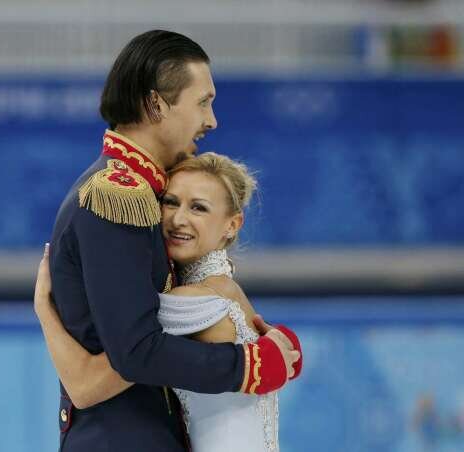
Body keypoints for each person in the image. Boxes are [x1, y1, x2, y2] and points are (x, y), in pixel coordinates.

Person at [42, 29, 299, 452]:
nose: (212, 120)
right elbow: (136, 350)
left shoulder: (142, 192)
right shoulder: (116, 196)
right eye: (203, 102)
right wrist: (248, 366)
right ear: (154, 104)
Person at [36, 152, 303, 452]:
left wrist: (45, 312)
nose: (178, 219)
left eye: (198, 208)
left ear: (232, 224)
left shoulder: (195, 301)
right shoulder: (224, 289)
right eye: (170, 202)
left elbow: (85, 386)